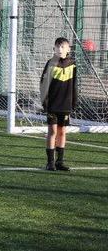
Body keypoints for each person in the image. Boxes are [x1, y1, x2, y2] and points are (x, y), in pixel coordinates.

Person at [40, 37, 77, 171]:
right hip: (52, 104)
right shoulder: (51, 64)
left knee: (62, 132)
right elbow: (43, 84)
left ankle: (59, 162)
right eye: (57, 47)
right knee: (52, 131)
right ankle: (50, 162)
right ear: (54, 49)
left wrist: (74, 102)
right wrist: (45, 102)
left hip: (65, 104)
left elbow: (74, 85)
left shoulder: (72, 64)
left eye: (62, 47)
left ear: (68, 49)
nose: (60, 49)